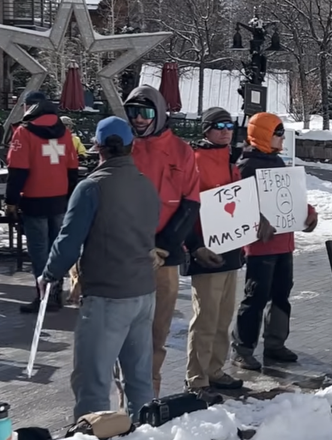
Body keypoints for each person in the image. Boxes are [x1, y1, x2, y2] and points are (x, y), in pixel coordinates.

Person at [39, 117, 161, 420]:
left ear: (99, 149)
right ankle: (143, 438)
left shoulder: (91, 187)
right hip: (144, 293)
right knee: (139, 379)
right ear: (131, 147)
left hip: (108, 295)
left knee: (93, 382)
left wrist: (50, 274)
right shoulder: (147, 185)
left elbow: (69, 240)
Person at [124, 85, 200, 393]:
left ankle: (149, 391)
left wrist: (165, 246)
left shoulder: (181, 151)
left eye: (145, 112)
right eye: (133, 113)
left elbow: (190, 202)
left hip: (164, 255)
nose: (139, 119)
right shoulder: (122, 146)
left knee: (157, 329)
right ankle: (126, 396)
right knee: (126, 329)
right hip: (127, 253)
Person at [232, 112, 316, 370]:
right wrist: (258, 219)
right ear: (264, 135)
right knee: (255, 296)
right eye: (277, 133)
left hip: (284, 242)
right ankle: (242, 348)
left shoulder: (278, 162)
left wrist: (309, 213)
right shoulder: (245, 166)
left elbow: (289, 198)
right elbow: (238, 205)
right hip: (261, 246)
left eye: (281, 133)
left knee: (281, 294)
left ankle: (275, 343)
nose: (281, 137)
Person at [183, 107, 245, 392]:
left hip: (231, 248)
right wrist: (194, 246)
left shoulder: (231, 160)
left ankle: (215, 369)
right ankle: (197, 378)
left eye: (229, 125)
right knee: (205, 318)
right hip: (207, 250)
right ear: (206, 130)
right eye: (218, 125)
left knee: (223, 317)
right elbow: (189, 207)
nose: (225, 130)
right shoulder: (195, 160)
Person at [5, 92, 79, 312]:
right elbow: (72, 169)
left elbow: (17, 171)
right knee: (57, 248)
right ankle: (56, 292)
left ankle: (43, 296)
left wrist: (10, 202)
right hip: (59, 201)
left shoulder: (24, 132)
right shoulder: (64, 133)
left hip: (34, 200)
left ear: (28, 107)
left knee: (39, 251)